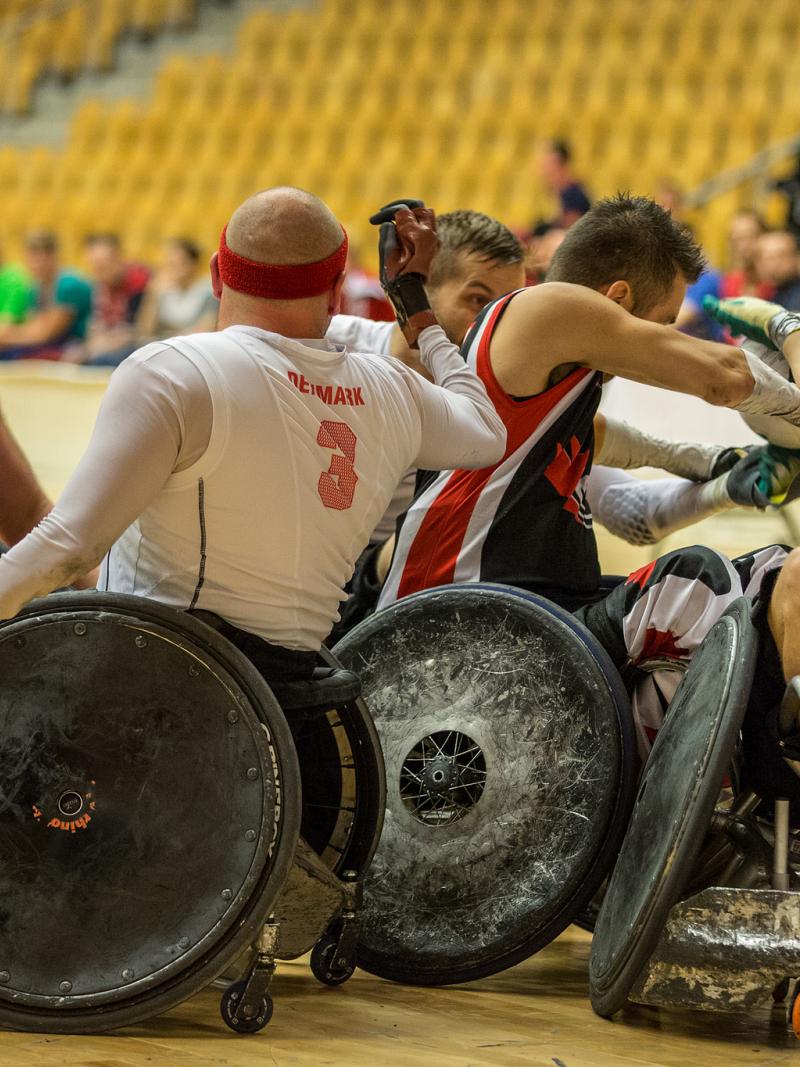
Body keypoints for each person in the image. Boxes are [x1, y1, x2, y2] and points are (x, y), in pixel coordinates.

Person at [0, 188, 505, 684]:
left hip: (154, 680)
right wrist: (418, 313)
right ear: (335, 291)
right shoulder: (395, 387)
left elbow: (69, 549)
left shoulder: (174, 371)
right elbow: (487, 432)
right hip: (296, 692)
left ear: (218, 275)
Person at [381, 195, 800, 614]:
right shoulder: (548, 307)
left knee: (754, 585)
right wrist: (786, 328)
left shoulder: (557, 395)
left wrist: (724, 479)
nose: (665, 340)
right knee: (715, 580)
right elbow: (727, 377)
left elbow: (635, 511)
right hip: (457, 615)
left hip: (524, 613)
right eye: (664, 325)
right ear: (616, 301)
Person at [0, 231, 92, 361]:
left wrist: (6, 336)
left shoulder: (69, 284)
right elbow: (33, 327)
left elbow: (45, 333)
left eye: (42, 256)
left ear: (54, 256)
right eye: (32, 257)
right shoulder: (35, 288)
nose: (38, 262)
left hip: (73, 344)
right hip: (50, 345)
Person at [83, 233, 151, 366]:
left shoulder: (140, 282)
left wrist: (102, 345)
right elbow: (95, 328)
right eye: (95, 266)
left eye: (103, 265)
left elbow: (139, 331)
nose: (99, 271)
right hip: (110, 344)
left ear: (119, 259)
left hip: (139, 346)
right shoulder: (100, 286)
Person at [136, 238, 218, 341]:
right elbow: (144, 332)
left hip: (191, 346)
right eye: (169, 264)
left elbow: (206, 330)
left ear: (193, 265)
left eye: (177, 263)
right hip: (164, 343)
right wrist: (153, 296)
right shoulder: (165, 290)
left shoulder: (208, 291)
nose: (171, 269)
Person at [537, 139, 591, 228]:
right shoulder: (559, 192)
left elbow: (572, 228)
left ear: (562, 166)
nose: (545, 171)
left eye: (550, 165)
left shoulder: (573, 193)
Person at [756, 230, 800, 311]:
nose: (774, 264)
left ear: (796, 257)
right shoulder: (772, 295)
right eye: (767, 258)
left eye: (781, 256)